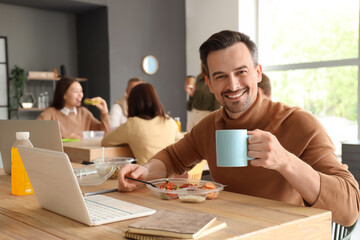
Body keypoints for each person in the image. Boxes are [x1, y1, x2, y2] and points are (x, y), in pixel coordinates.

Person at [117, 30, 360, 227]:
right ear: (210, 84)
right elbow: (172, 157)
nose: (232, 85)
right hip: (229, 230)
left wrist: (286, 161)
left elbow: (350, 210)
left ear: (257, 73)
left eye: (241, 72)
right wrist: (145, 171)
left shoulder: (299, 123)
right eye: (220, 76)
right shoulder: (209, 126)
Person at [102, 83, 182, 165]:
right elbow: (179, 140)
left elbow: (105, 141)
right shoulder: (169, 121)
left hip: (146, 175)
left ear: (132, 103)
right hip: (170, 175)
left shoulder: (132, 124)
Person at [37, 77, 110, 139]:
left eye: (81, 91)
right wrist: (63, 136)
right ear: (64, 95)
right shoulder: (50, 114)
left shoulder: (84, 113)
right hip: (61, 155)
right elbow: (35, 134)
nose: (81, 95)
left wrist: (104, 112)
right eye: (76, 91)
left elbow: (105, 134)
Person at [185, 65, 221, 131]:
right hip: (193, 115)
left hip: (206, 117)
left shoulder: (216, 80)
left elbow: (217, 105)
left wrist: (216, 121)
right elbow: (189, 107)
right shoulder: (199, 78)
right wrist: (191, 94)